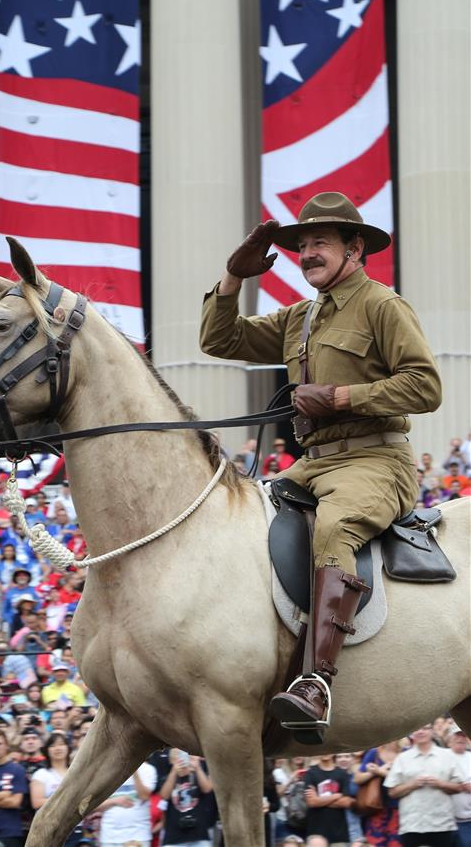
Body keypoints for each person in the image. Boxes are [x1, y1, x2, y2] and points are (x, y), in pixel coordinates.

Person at [199, 192, 442, 735]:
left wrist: (338, 399)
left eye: (320, 243)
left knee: (333, 528)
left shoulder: (383, 305)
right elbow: (219, 340)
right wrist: (233, 278)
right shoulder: (300, 318)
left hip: (376, 461)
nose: (307, 253)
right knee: (243, 514)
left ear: (354, 249)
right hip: (311, 465)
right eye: (302, 245)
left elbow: (426, 387)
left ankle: (317, 683)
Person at [384, 723, 464, 847]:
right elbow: (392, 792)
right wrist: (412, 784)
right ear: (411, 733)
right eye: (416, 729)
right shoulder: (403, 758)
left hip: (441, 824)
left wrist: (440, 783)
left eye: (425, 728)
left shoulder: (447, 756)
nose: (420, 732)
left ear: (432, 731)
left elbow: (459, 787)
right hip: (411, 824)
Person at [159, 749, 216, 846]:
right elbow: (164, 795)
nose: (183, 760)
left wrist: (197, 767)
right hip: (173, 837)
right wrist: (174, 771)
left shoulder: (198, 773)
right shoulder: (169, 775)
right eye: (179, 757)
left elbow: (207, 789)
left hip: (199, 834)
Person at [98, 760, 157, 847]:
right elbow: (94, 806)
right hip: (110, 836)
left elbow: (144, 796)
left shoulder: (148, 769)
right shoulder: (106, 771)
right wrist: (114, 801)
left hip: (138, 836)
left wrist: (134, 771)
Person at [354, 742, 402, 847]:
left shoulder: (405, 752)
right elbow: (357, 779)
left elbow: (405, 781)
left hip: (399, 810)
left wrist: (380, 771)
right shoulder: (374, 753)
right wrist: (373, 772)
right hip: (376, 809)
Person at [303, 753, 354, 845]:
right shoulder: (310, 773)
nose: (325, 752)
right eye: (322, 750)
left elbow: (346, 802)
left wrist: (319, 799)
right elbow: (311, 802)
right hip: (316, 833)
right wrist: (337, 796)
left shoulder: (342, 773)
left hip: (339, 833)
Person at [446, 727, 471, 847]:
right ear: (449, 739)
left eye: (463, 735)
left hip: (467, 820)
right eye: (457, 735)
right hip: (443, 820)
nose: (460, 738)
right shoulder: (441, 756)